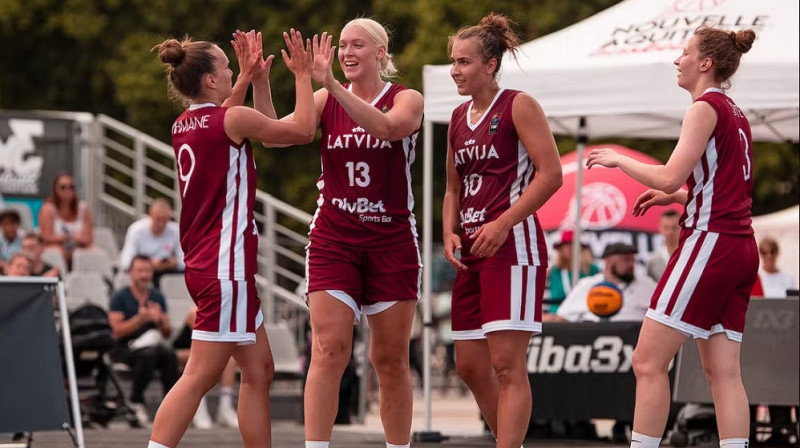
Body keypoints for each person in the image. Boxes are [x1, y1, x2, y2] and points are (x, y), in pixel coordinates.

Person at [586, 26, 758, 448]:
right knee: (725, 375)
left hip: (710, 244)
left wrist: (619, 159)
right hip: (740, 246)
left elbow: (669, 172)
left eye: (684, 53)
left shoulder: (703, 108)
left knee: (646, 361)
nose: (676, 60)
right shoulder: (736, 112)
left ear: (705, 64)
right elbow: (722, 186)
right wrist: (679, 196)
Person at [147, 28, 316, 448]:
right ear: (209, 80)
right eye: (225, 67)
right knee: (199, 376)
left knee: (259, 369)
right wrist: (301, 74)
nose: (230, 71)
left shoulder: (184, 123)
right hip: (226, 268)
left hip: (209, 264)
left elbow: (228, 117)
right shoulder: (230, 119)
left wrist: (250, 78)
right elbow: (301, 130)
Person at [300, 19, 424, 448]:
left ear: (381, 53)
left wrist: (332, 86)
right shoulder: (322, 97)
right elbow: (283, 134)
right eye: (342, 46)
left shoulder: (406, 98)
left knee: (389, 359)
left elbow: (389, 129)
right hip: (335, 239)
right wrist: (259, 81)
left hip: (391, 240)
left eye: (357, 45)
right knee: (329, 348)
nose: (347, 52)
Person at [442, 13, 562, 448]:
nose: (455, 69)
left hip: (514, 247)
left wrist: (504, 221)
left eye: (464, 61)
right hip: (471, 250)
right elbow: (452, 189)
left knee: (507, 366)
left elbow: (551, 175)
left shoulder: (518, 104)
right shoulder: (457, 117)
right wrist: (447, 231)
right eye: (453, 61)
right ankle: (509, 441)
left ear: (490, 65)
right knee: (470, 366)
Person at [108, 254, 179, 426]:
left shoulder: (157, 296)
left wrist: (160, 320)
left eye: (147, 271)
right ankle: (136, 401)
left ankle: (171, 405)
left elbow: (167, 333)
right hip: (125, 348)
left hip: (152, 345)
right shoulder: (119, 296)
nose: (144, 275)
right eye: (140, 271)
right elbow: (116, 332)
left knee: (169, 354)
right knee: (149, 355)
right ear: (131, 273)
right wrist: (139, 320)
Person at [171, 306, 239, 429]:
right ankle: (198, 407)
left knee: (229, 359)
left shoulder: (226, 314)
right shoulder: (195, 313)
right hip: (181, 353)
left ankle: (225, 407)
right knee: (204, 356)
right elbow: (206, 339)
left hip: (205, 351)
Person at [555, 242, 656, 323]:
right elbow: (562, 316)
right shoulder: (588, 285)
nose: (631, 264)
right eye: (625, 260)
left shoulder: (646, 285)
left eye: (632, 260)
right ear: (609, 261)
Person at [119, 198, 184, 288]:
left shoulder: (175, 230)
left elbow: (184, 261)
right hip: (143, 273)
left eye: (165, 220)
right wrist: (148, 266)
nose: (161, 224)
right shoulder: (136, 230)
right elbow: (126, 262)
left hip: (168, 272)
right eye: (158, 220)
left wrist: (173, 263)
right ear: (150, 216)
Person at [38, 173, 94, 264]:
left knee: (95, 251)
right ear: (55, 190)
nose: (67, 190)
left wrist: (75, 240)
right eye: (63, 187)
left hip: (78, 246)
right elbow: (46, 237)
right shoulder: (48, 209)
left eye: (71, 187)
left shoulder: (83, 208)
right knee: (58, 252)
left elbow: (88, 237)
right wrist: (65, 239)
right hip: (56, 246)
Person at [545, 229, 598, 315]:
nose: (568, 249)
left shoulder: (592, 269)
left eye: (572, 245)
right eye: (565, 246)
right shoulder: (554, 271)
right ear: (560, 250)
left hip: (585, 313)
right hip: (557, 313)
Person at [645, 210, 681, 281]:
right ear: (660, 228)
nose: (670, 232)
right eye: (666, 228)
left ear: (681, 228)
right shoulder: (653, 261)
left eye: (674, 227)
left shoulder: (692, 255)